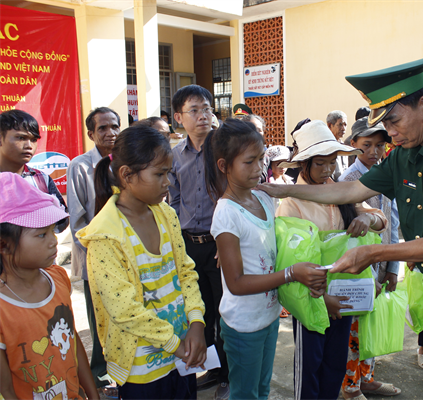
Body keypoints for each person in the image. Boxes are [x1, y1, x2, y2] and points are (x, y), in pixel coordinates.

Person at [260, 57, 423, 400]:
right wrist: (284, 189)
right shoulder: (407, 153)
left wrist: (375, 252)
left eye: (394, 121)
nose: (390, 133)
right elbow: (352, 190)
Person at [77, 126, 207, 399]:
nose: (167, 182)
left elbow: (185, 271)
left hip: (182, 355)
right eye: (159, 174)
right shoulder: (106, 235)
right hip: (141, 369)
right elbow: (123, 309)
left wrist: (196, 322)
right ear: (127, 175)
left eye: (168, 173)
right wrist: (174, 343)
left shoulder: (166, 215)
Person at [203, 118, 326, 399]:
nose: (259, 169)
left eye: (261, 159)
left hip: (268, 315)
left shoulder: (262, 197)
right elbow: (235, 283)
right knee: (246, 394)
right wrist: (291, 274)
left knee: (261, 389)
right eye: (249, 162)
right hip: (243, 325)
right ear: (224, 166)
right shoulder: (226, 213)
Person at [275, 120, 388, 400]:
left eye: (331, 163)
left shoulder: (340, 193)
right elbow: (289, 260)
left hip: (344, 299)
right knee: (309, 369)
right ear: (304, 165)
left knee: (335, 365)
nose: (327, 171)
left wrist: (366, 217)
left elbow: (381, 221)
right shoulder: (291, 204)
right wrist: (320, 298)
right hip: (312, 300)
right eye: (320, 164)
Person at [0, 172, 99, 400]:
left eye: (53, 231)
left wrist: (92, 393)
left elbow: (72, 341)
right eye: (41, 235)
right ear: (3, 245)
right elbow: (6, 389)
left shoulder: (58, 278)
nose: (53, 241)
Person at [169, 85, 230, 398]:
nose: (204, 115)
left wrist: (225, 240)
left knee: (224, 310)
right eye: (195, 110)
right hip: (189, 244)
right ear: (179, 117)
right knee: (200, 312)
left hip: (222, 244)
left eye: (207, 108)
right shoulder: (175, 155)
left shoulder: (222, 149)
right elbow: (174, 200)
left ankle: (227, 375)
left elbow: (232, 197)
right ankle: (212, 367)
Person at [338, 117, 401, 399]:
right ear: (353, 146)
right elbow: (347, 235)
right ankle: (350, 387)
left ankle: (367, 378)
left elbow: (393, 223)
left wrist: (392, 267)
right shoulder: (347, 182)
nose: (374, 151)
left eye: (379, 145)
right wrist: (366, 275)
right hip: (360, 268)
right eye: (367, 145)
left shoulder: (386, 173)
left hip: (381, 263)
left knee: (370, 326)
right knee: (355, 330)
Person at [66, 106, 120, 397]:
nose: (110, 133)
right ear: (91, 133)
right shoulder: (80, 166)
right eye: (103, 128)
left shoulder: (124, 162)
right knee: (99, 317)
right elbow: (77, 220)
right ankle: (101, 374)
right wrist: (99, 252)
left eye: (114, 126)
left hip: (126, 256)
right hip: (94, 258)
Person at [0, 110, 68, 233]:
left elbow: (62, 221)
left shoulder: (41, 178)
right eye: (21, 138)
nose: (29, 145)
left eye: (34, 140)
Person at [327, 110, 349, 180]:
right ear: (330, 125)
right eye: (340, 124)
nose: (343, 128)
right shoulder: (326, 147)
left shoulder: (344, 146)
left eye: (345, 125)